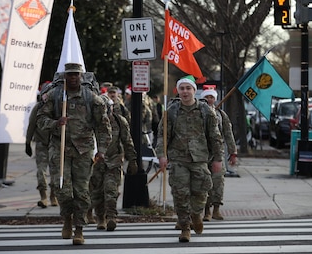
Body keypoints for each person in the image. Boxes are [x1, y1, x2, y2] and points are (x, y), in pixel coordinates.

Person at [37, 63, 112, 245]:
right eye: (69, 75)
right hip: (59, 148)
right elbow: (41, 119)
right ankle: (67, 219)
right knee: (62, 188)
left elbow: (103, 126)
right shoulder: (55, 96)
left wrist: (102, 150)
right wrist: (56, 123)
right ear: (64, 76)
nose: (73, 78)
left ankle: (79, 228)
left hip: (83, 150)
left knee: (81, 191)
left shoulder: (91, 98)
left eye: (76, 75)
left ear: (81, 76)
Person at [155, 75, 224, 243]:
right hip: (178, 159)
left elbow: (215, 136)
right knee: (180, 194)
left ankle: (196, 215)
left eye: (188, 88)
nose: (185, 92)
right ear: (178, 91)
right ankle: (185, 228)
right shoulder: (171, 111)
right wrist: (162, 156)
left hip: (200, 159)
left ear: (194, 90)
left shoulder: (206, 111)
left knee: (201, 193)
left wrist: (218, 159)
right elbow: (163, 135)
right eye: (182, 88)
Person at [89, 95, 138, 231]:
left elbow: (127, 141)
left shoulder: (119, 121)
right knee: (97, 193)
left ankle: (111, 217)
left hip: (114, 161)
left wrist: (132, 160)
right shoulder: (92, 122)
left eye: (107, 108)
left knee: (110, 190)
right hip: (95, 163)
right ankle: (100, 218)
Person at [200, 85, 238, 221]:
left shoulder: (221, 115)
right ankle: (206, 211)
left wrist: (233, 152)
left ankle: (216, 209)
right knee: (204, 182)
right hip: (202, 153)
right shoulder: (198, 113)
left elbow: (228, 133)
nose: (209, 99)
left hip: (218, 153)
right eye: (206, 97)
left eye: (211, 97)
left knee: (218, 181)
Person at [25, 96, 58, 208]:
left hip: (55, 144)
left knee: (55, 172)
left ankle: (53, 195)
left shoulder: (57, 107)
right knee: (41, 171)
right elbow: (31, 125)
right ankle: (43, 196)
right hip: (41, 143)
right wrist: (27, 142)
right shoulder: (38, 108)